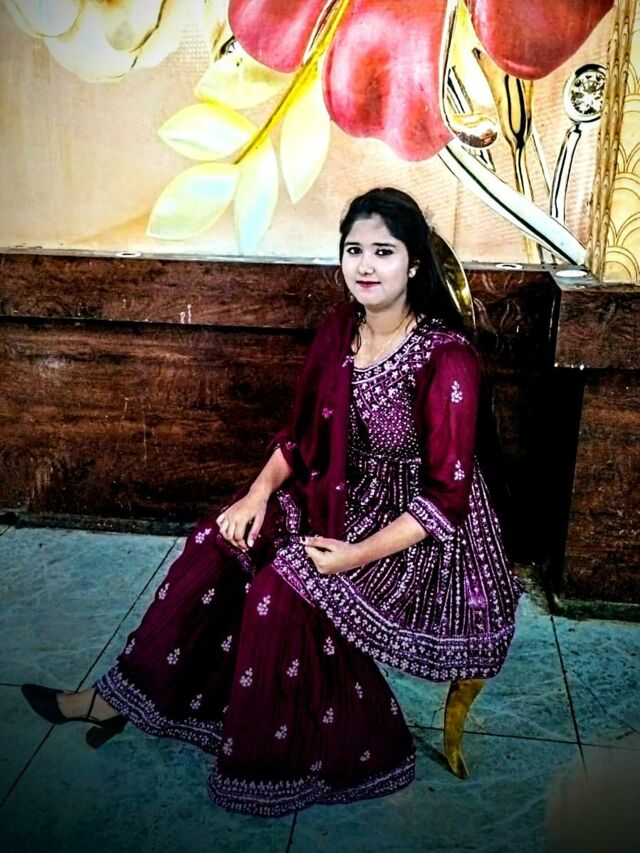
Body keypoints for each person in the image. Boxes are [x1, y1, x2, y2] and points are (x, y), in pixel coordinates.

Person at [22, 187, 523, 817]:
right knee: (219, 539)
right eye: (354, 250)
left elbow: (446, 500)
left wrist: (352, 557)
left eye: (384, 252)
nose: (366, 266)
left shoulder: (446, 359)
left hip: (419, 537)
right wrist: (257, 495)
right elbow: (303, 435)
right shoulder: (340, 331)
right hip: (340, 494)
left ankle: (292, 757)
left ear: (413, 264)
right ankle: (120, 698)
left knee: (280, 590)